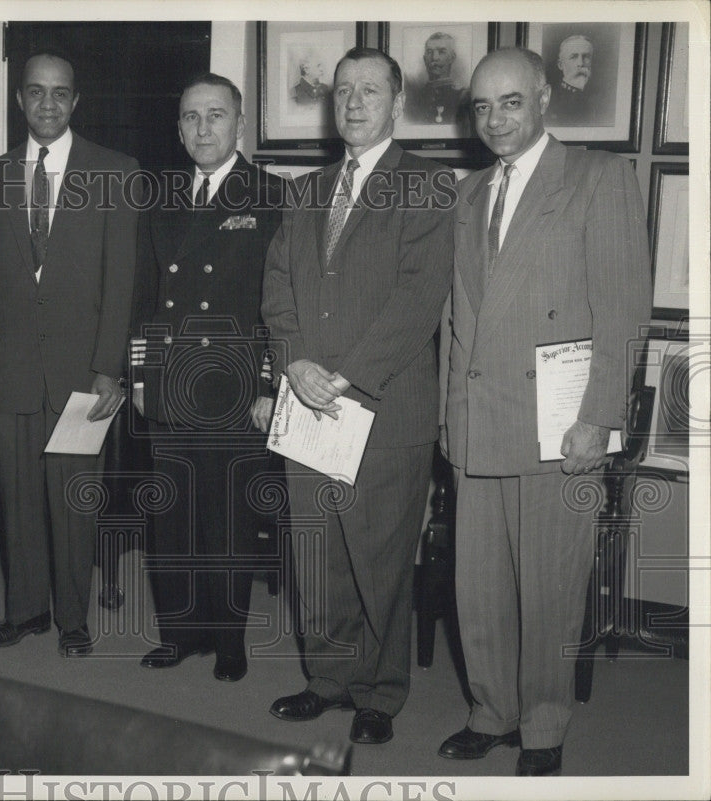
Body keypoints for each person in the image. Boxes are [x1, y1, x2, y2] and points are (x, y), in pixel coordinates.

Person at [437, 47, 650, 776]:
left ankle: (543, 724)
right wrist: (447, 415)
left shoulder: (598, 177)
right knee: (480, 587)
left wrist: (600, 419)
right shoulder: (467, 195)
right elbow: (458, 320)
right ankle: (491, 711)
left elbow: (623, 312)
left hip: (558, 427)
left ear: (544, 100)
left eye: (511, 103)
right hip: (476, 420)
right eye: (482, 107)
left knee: (551, 587)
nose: (495, 120)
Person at [261, 47, 454, 745]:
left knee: (378, 557)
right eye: (343, 90)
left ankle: (380, 689)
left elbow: (417, 299)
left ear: (398, 104)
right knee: (319, 552)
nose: (353, 101)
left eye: (369, 90)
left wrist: (342, 375)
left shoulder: (429, 187)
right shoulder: (305, 189)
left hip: (383, 407)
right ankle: (328, 678)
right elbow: (278, 289)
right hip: (305, 402)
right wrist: (296, 364)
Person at [0, 50, 138, 657]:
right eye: (36, 92)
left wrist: (107, 369)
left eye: (60, 93)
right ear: (19, 99)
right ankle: (26, 611)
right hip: (8, 370)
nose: (47, 104)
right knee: (17, 498)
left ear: (76, 101)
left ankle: (73, 618)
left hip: (80, 374)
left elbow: (122, 283)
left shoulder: (115, 172)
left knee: (73, 499)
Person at [131, 73, 284, 682]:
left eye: (215, 115)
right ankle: (179, 632)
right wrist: (141, 375)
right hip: (169, 381)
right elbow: (144, 295)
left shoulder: (271, 195)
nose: (202, 128)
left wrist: (270, 387)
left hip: (235, 388)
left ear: (239, 124)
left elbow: (280, 304)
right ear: (178, 127)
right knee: (172, 516)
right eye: (191, 117)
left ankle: (229, 638)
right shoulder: (159, 196)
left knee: (229, 521)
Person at [406, 32, 467, 125]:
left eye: (441, 52)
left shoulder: (463, 97)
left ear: (452, 58)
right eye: (429, 52)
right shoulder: (413, 98)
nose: (434, 58)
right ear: (424, 58)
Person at [547, 35, 596, 124]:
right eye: (573, 57)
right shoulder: (550, 102)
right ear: (560, 65)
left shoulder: (601, 101)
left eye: (586, 57)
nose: (581, 63)